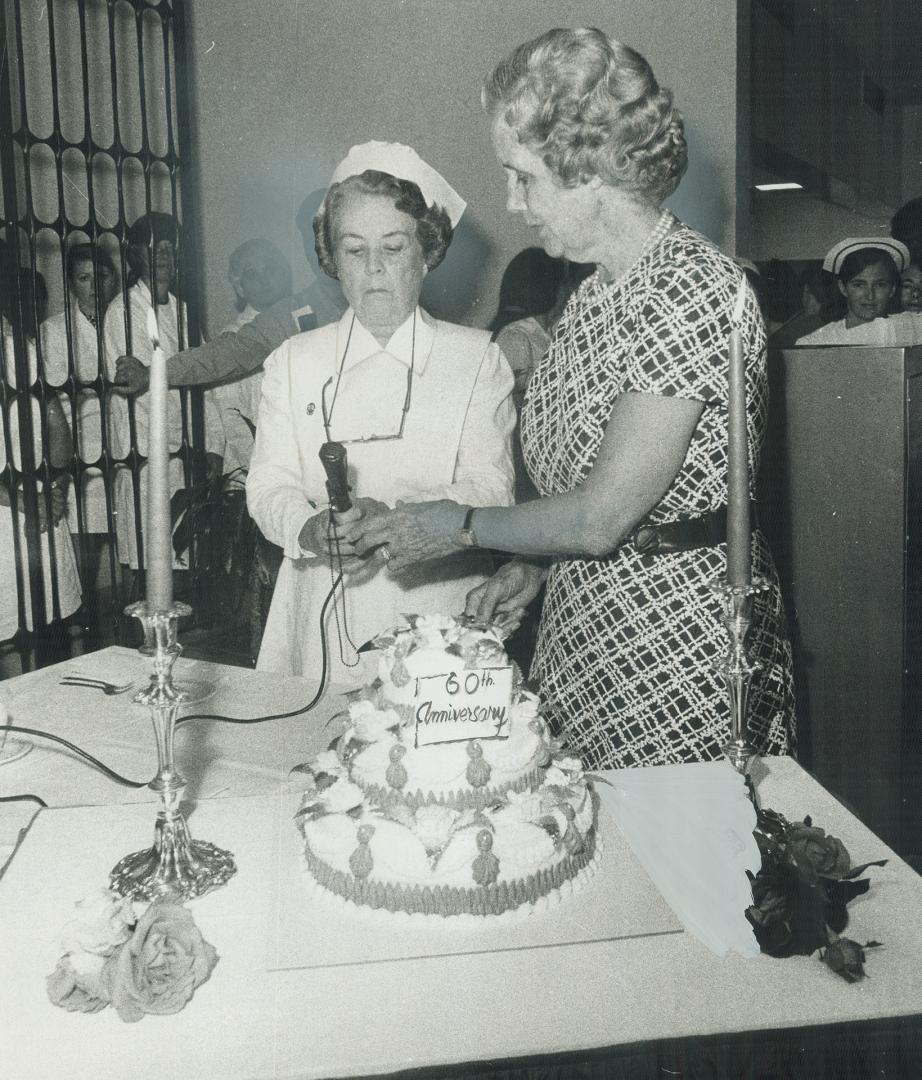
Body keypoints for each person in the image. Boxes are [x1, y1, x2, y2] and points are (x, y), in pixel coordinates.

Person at [345, 28, 795, 771]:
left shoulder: (693, 288)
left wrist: (458, 527)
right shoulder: (591, 297)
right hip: (588, 630)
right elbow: (586, 500)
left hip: (675, 651)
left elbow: (603, 515)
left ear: (590, 170)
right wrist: (535, 568)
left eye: (524, 176)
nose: (513, 204)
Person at [246, 141, 515, 682]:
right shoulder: (294, 362)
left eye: (393, 248)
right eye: (353, 249)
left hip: (442, 607)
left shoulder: (476, 358)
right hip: (320, 606)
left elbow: (492, 488)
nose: (373, 269)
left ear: (428, 251)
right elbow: (268, 484)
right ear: (331, 257)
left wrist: (395, 520)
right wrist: (308, 527)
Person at [112, 198, 345, 395]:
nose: (323, 248)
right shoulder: (292, 312)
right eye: (313, 238)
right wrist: (152, 373)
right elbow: (231, 352)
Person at [103, 212, 223, 587]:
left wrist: (212, 444)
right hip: (148, 457)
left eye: (170, 248)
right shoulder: (122, 312)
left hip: (186, 456)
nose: (163, 256)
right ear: (133, 254)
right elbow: (135, 387)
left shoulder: (184, 311)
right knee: (154, 567)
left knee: (188, 564)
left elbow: (203, 379)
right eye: (154, 248)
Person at [0, 267, 81, 641]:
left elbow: (56, 425)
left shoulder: (21, 347)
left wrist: (58, 486)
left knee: (48, 628)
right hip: (10, 511)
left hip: (38, 502)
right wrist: (18, 501)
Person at [40, 243, 118, 589]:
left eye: (100, 276)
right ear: (71, 283)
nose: (93, 285)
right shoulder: (54, 331)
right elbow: (55, 400)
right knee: (84, 554)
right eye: (84, 278)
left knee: (131, 551)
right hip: (82, 452)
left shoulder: (123, 321)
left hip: (126, 447)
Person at [206, 238, 293, 477]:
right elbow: (231, 417)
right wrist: (264, 471)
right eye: (253, 274)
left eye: (270, 270)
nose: (264, 280)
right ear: (240, 287)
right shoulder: (232, 338)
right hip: (253, 469)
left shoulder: (303, 324)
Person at [796, 238, 922, 346]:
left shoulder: (910, 327)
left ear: (892, 289)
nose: (870, 295)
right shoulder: (817, 342)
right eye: (859, 285)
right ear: (843, 288)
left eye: (880, 285)